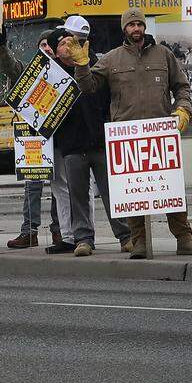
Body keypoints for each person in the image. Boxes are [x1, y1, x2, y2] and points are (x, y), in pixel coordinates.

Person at [64, 7, 192, 259]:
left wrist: (183, 109)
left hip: (160, 134)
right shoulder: (111, 58)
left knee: (170, 189)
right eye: (131, 25)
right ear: (124, 29)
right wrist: (81, 65)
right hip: (127, 137)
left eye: (139, 24)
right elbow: (88, 87)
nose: (136, 29)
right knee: (133, 193)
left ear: (144, 27)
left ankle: (185, 239)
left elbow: (182, 86)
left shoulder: (164, 55)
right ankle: (138, 242)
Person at [48, 20, 133, 256]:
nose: (70, 45)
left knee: (110, 192)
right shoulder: (52, 73)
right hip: (72, 144)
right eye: (65, 42)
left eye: (74, 40)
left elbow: (110, 98)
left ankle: (125, 235)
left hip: (99, 140)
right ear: (57, 49)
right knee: (78, 195)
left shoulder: (96, 64)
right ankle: (83, 238)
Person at [0, 26, 64, 249]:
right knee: (32, 184)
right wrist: (2, 47)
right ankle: (29, 231)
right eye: (41, 45)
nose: (45, 49)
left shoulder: (64, 71)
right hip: (34, 138)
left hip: (60, 136)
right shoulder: (27, 72)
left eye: (48, 45)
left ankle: (59, 231)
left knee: (59, 187)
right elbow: (7, 67)